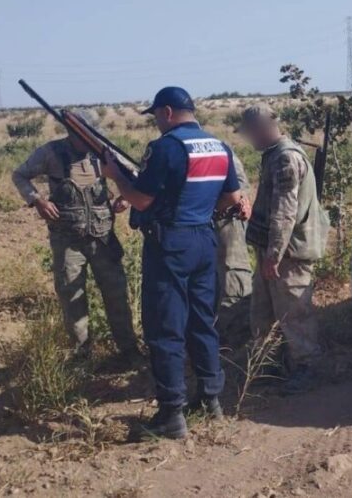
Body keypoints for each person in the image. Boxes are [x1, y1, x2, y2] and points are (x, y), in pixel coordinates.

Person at [101, 87, 245, 440]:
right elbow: (230, 197)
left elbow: (141, 199)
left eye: (155, 116)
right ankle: (211, 399)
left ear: (166, 112)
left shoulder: (164, 147)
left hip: (170, 245)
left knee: (164, 327)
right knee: (202, 322)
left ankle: (170, 414)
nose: (156, 122)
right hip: (204, 240)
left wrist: (115, 174)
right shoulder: (219, 146)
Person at [10, 109, 139, 364]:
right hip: (67, 240)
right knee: (71, 298)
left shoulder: (105, 153)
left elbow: (132, 176)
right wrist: (37, 201)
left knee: (116, 295)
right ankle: (82, 357)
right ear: (72, 133)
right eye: (84, 135)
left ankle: (129, 351)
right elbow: (19, 175)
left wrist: (125, 197)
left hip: (103, 239)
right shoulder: (51, 153)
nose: (89, 140)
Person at [237, 103, 330, 393]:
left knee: (295, 314)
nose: (249, 139)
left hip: (288, 254)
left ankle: (309, 369)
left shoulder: (285, 159)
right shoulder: (275, 155)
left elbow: (284, 212)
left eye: (250, 133)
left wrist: (274, 255)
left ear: (261, 128)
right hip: (275, 251)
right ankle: (273, 366)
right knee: (263, 312)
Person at [214, 152, 254, 343]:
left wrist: (241, 199)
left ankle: (238, 337)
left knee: (234, 280)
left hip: (227, 222)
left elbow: (240, 188)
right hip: (199, 229)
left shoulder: (222, 152)